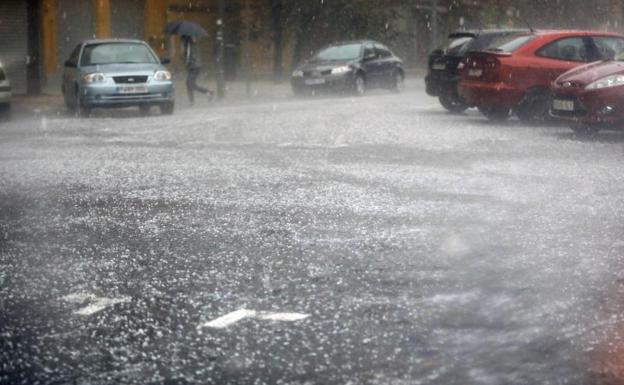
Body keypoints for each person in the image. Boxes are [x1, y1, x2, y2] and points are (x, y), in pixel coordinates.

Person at [182, 35, 213, 105]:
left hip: (194, 66)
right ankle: (208, 92)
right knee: (191, 84)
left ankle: (192, 101)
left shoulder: (189, 44)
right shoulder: (190, 44)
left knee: (189, 83)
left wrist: (187, 63)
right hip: (194, 66)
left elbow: (188, 56)